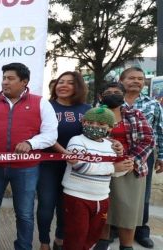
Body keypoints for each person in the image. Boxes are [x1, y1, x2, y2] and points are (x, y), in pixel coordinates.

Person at [0, 62, 58, 250]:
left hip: (26, 169)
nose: (5, 82)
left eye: (10, 78)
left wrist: (30, 143)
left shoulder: (41, 102)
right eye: (4, 78)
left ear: (24, 82)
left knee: (25, 213)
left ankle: (23, 246)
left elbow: (51, 134)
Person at [61, 106, 134, 250]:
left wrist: (125, 168)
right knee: (75, 236)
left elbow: (113, 172)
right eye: (90, 122)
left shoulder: (110, 145)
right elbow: (80, 166)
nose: (94, 126)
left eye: (101, 124)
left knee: (93, 236)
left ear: (110, 128)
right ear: (83, 122)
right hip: (78, 197)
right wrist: (114, 168)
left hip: (101, 198)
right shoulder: (76, 140)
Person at [95, 82, 154, 250]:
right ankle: (102, 243)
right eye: (108, 92)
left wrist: (131, 160)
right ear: (101, 97)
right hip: (101, 169)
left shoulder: (135, 114)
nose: (112, 94)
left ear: (123, 95)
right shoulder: (94, 114)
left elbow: (148, 139)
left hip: (130, 169)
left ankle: (126, 246)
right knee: (103, 210)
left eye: (117, 92)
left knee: (127, 211)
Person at [36, 71, 90, 250]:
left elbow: (95, 136)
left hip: (75, 166)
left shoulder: (86, 109)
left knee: (66, 205)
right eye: (61, 82)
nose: (63, 85)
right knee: (46, 203)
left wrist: (112, 144)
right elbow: (44, 135)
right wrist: (64, 152)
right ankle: (44, 243)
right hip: (48, 165)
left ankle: (60, 239)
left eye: (70, 83)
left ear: (78, 87)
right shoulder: (45, 106)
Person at [119, 67, 163, 248]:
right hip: (116, 155)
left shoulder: (153, 104)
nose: (136, 81)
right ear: (122, 80)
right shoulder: (112, 101)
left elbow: (160, 131)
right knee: (116, 193)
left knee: (142, 196)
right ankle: (115, 228)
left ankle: (140, 230)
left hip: (144, 155)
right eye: (131, 78)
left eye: (140, 78)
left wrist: (161, 156)